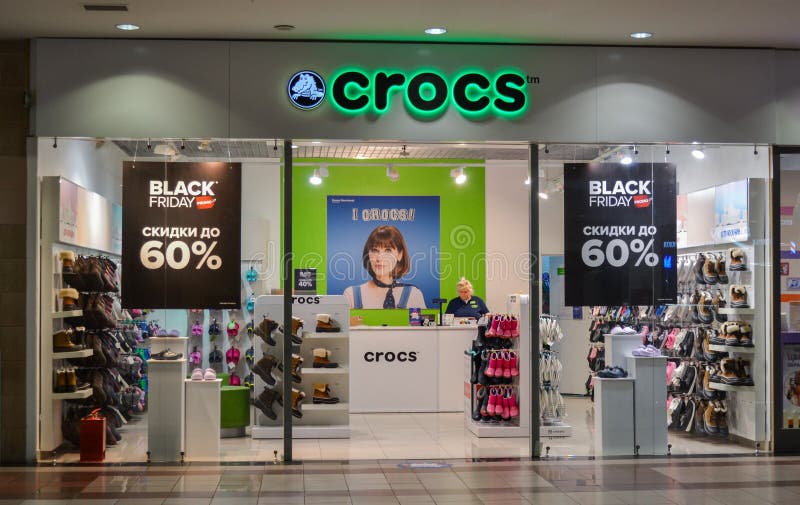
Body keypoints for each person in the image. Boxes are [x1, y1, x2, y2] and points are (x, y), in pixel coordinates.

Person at [343, 225, 426, 309]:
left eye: (388, 251)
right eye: (375, 250)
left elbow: (423, 322)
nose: (379, 258)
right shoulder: (351, 295)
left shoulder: (413, 295)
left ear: (400, 255)